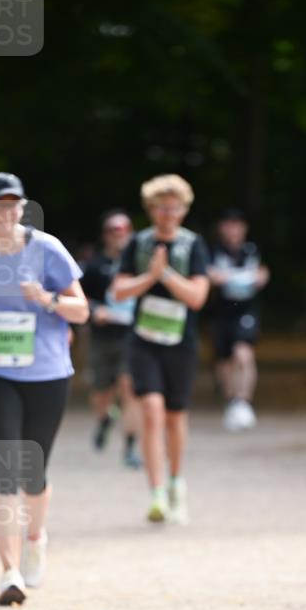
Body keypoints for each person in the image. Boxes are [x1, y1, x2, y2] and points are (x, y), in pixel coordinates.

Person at [0, 172, 89, 605]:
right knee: (7, 467)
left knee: (34, 473)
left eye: (13, 205)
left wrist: (46, 299)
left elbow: (82, 310)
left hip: (46, 373)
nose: (6, 213)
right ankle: (9, 572)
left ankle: (35, 538)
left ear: (22, 209)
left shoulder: (47, 249)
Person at [112, 174, 209, 524]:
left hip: (181, 342)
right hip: (144, 340)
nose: (168, 213)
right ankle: (155, 494)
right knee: (151, 409)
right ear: (151, 209)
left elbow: (198, 297)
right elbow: (119, 291)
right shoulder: (138, 244)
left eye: (175, 207)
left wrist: (164, 274)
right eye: (161, 207)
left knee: (174, 416)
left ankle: (175, 483)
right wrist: (148, 277)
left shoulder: (193, 245)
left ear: (184, 209)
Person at [80, 210, 141, 466]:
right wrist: (95, 311)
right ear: (105, 236)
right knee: (100, 392)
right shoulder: (93, 265)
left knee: (130, 389)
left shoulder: (141, 263)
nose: (118, 237)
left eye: (123, 231)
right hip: (103, 336)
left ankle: (130, 447)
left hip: (133, 336)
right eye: (113, 232)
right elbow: (78, 297)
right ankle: (105, 420)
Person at [208, 209, 270, 431]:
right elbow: (209, 276)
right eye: (229, 224)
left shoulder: (251, 250)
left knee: (243, 354)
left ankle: (243, 402)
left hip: (246, 309)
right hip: (221, 311)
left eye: (237, 224)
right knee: (224, 362)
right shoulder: (213, 251)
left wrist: (261, 278)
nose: (233, 229)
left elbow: (262, 273)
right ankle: (232, 402)